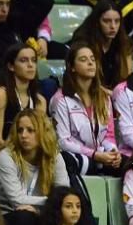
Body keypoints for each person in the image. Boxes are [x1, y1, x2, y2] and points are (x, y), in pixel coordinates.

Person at [0, 109, 70, 225]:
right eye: (20, 130)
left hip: (40, 213)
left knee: (79, 217)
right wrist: (50, 202)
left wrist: (41, 210)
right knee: (25, 218)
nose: (23, 135)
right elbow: (17, 200)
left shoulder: (54, 157)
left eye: (30, 130)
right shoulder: (6, 157)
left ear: (42, 132)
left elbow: (64, 195)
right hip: (6, 216)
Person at [50, 42, 121, 177]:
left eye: (92, 59)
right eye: (83, 60)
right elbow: (63, 141)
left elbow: (109, 135)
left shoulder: (104, 98)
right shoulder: (60, 100)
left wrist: (113, 152)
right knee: (72, 162)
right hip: (76, 156)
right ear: (72, 67)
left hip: (100, 155)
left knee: (129, 162)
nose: (90, 63)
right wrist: (94, 155)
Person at [0, 43, 46, 151]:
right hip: (5, 155)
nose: (30, 65)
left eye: (33, 60)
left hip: (31, 155)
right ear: (11, 66)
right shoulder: (0, 95)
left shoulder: (39, 101)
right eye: (24, 60)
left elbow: (40, 137)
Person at [70, 0, 133, 89]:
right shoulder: (83, 43)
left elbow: (127, 79)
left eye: (117, 21)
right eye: (106, 21)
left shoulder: (124, 43)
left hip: (115, 94)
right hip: (90, 92)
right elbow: (82, 81)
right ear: (97, 22)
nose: (113, 26)